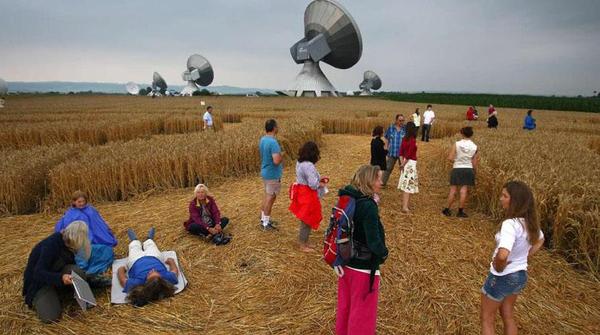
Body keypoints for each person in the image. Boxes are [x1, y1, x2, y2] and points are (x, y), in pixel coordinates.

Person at [480, 181, 545, 335]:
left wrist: (498, 266)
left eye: (505, 196)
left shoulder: (510, 224)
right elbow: (541, 239)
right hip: (520, 275)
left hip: (502, 277)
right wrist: (525, 256)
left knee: (487, 318)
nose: (501, 199)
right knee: (507, 315)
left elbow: (503, 255)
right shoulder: (529, 223)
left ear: (515, 200)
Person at [336, 165, 388, 335]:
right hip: (364, 269)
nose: (381, 182)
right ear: (369, 181)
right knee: (362, 312)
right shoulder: (368, 206)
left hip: (345, 263)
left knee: (346, 306)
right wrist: (384, 253)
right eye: (378, 178)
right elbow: (373, 241)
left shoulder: (349, 199)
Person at [23, 221, 91, 323]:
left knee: (76, 271)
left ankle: (83, 298)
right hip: (39, 284)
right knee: (51, 317)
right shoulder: (50, 245)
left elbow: (69, 267)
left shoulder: (69, 246)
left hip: (55, 278)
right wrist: (60, 278)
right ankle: (42, 299)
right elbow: (38, 273)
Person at [54, 191, 116, 279]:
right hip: (80, 242)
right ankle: (87, 273)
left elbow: (98, 219)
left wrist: (105, 225)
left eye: (83, 201)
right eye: (79, 202)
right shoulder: (70, 214)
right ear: (73, 202)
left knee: (107, 251)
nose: (82, 203)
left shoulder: (90, 209)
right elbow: (66, 228)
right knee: (83, 255)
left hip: (92, 238)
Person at [117, 228, 178, 307]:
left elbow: (123, 281)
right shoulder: (167, 278)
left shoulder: (138, 283)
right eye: (156, 272)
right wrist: (171, 262)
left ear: (145, 283)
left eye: (149, 274)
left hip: (135, 260)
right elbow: (175, 271)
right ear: (162, 280)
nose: (152, 270)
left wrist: (120, 270)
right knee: (151, 245)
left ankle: (134, 239)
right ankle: (149, 239)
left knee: (134, 246)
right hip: (155, 257)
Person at [289, 141, 328, 252]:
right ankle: (302, 244)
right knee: (307, 219)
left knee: (306, 218)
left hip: (302, 192)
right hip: (308, 194)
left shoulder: (300, 162)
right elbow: (313, 184)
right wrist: (321, 183)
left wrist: (318, 179)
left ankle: (305, 241)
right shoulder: (309, 166)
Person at [442, 126, 479, 218]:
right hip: (468, 169)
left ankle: (447, 210)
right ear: (471, 134)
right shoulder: (475, 147)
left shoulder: (457, 144)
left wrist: (458, 161)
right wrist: (475, 171)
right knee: (463, 190)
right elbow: (474, 162)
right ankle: (460, 212)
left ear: (462, 133)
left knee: (453, 190)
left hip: (457, 168)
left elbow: (450, 158)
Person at [259, 119, 283, 230]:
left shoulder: (263, 139)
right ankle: (266, 224)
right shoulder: (273, 142)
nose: (278, 128)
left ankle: (263, 219)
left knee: (267, 196)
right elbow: (276, 161)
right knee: (271, 197)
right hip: (272, 174)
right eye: (277, 126)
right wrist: (282, 155)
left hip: (265, 172)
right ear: (274, 128)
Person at [398, 122, 419, 213]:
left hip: (405, 162)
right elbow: (410, 154)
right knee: (408, 186)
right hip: (410, 164)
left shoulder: (404, 139)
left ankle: (406, 205)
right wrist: (403, 164)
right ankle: (405, 207)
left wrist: (402, 163)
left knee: (407, 184)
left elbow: (401, 152)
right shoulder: (413, 140)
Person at [381, 114, 406, 187]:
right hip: (392, 152)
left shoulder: (405, 129)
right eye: (400, 120)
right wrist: (386, 148)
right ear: (396, 120)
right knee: (388, 168)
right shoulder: (391, 128)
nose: (401, 122)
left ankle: (404, 185)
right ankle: (383, 183)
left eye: (403, 120)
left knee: (403, 169)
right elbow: (386, 138)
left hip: (402, 153)